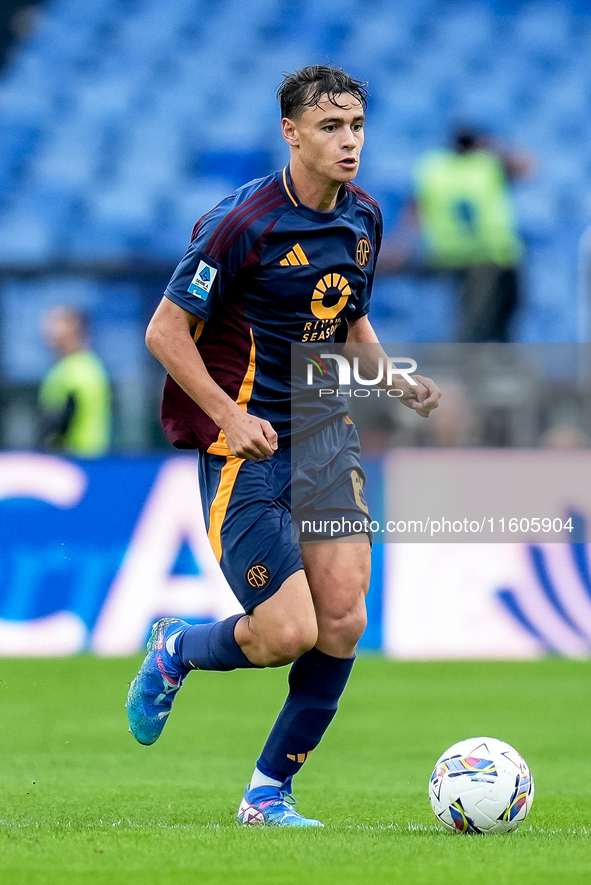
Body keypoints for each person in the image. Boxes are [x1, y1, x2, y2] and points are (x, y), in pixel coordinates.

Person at [125, 65, 441, 827]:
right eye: (331, 128)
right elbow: (164, 332)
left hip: (325, 435)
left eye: (357, 126)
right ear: (290, 133)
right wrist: (226, 419)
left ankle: (267, 792)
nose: (348, 142)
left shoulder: (362, 218)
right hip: (247, 450)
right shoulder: (240, 224)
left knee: (343, 620)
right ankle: (177, 648)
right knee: (285, 633)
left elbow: (347, 322)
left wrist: (396, 379)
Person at [381, 127, 533, 342]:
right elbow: (526, 167)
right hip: (492, 254)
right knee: (486, 319)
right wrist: (497, 146)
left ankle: (479, 358)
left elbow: (415, 208)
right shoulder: (487, 163)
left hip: (451, 253)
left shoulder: (433, 168)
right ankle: (469, 362)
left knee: (481, 315)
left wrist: (402, 244)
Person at [38, 306, 111, 457]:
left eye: (55, 324)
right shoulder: (83, 366)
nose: (47, 331)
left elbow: (59, 422)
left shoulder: (78, 370)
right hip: (88, 459)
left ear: (73, 329)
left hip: (76, 458)